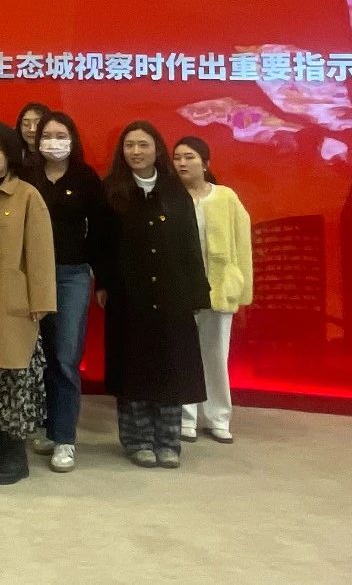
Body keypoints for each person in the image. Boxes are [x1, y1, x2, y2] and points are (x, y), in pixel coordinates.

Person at [101, 122, 210, 470]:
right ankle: (137, 441)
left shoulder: (175, 191)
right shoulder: (112, 191)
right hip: (128, 293)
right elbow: (102, 245)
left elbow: (191, 244)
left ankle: (168, 441)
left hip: (172, 292)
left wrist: (198, 292)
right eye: (129, 145)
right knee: (133, 366)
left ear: (157, 149)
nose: (136, 152)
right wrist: (103, 284)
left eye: (143, 145)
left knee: (171, 366)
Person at [25, 112, 112, 472]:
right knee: (40, 357)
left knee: (65, 357)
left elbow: (102, 230)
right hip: (31, 275)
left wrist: (101, 278)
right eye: (48, 135)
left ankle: (65, 439)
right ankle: (49, 427)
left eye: (61, 135)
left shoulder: (85, 178)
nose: (54, 142)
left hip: (72, 276)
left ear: (72, 140)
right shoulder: (27, 175)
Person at [0, 123, 56, 485]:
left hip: (15, 301)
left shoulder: (26, 195)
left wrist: (41, 299)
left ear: (10, 154)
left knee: (15, 380)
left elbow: (40, 252)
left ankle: (15, 454)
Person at [172, 136, 253, 445]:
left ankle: (218, 417)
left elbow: (242, 245)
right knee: (183, 353)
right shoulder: (170, 197)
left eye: (189, 157)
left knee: (216, 354)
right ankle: (185, 417)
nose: (182, 163)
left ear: (205, 162)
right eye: (177, 157)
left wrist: (240, 288)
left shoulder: (225, 197)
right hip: (181, 288)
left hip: (218, 288)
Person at [15, 101, 50, 167]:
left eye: (38, 123)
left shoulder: (54, 156)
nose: (32, 129)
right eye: (26, 124)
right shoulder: (14, 155)